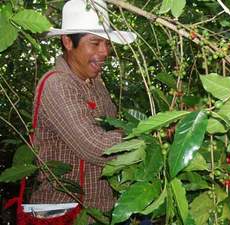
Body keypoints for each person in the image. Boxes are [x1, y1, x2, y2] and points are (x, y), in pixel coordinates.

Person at [29, 0, 136, 216]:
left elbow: (114, 128)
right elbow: (96, 147)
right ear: (68, 42)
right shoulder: (57, 85)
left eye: (107, 43)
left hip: (101, 212)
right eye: (95, 43)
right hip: (66, 214)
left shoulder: (95, 84)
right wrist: (152, 134)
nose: (105, 51)